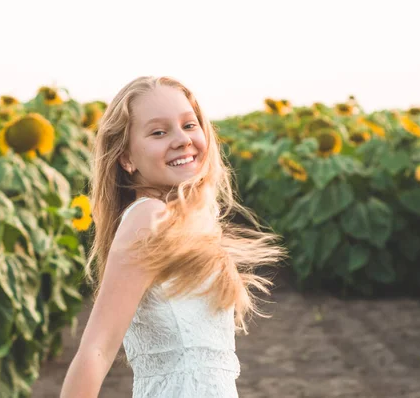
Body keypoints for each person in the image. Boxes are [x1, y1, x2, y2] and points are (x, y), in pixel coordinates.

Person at [59, 76, 285, 398]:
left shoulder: (197, 222)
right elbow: (97, 348)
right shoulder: (146, 217)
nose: (182, 139)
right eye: (158, 132)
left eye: (189, 125)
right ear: (126, 158)